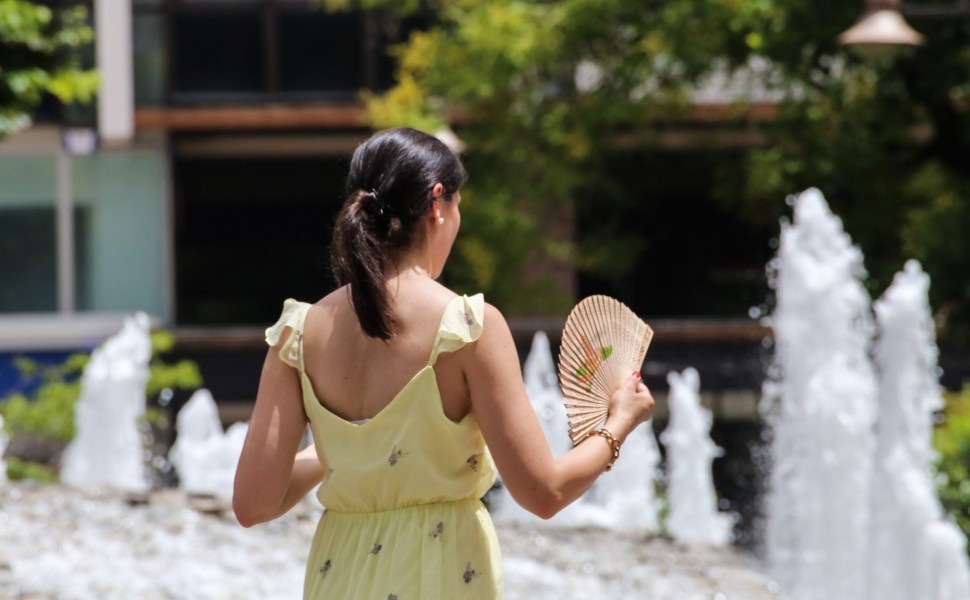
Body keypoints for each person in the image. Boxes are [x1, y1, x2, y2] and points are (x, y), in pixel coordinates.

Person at [233, 127, 655, 599]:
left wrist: (349, 452)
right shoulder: (468, 326)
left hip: (339, 578)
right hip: (440, 575)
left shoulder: (299, 331)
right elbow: (544, 492)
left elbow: (253, 504)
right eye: (458, 208)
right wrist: (617, 425)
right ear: (438, 202)